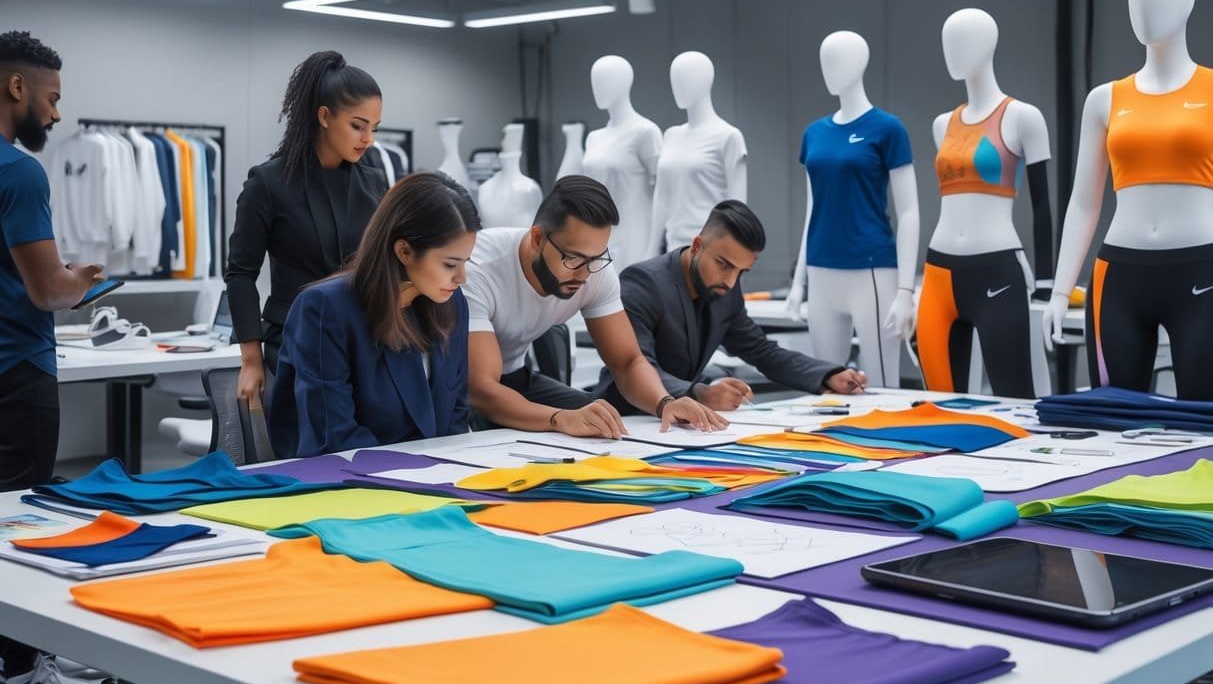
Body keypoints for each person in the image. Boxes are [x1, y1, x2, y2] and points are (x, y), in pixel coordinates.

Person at [0, 30, 100, 684]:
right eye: (52, 98)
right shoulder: (19, 172)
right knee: (13, 520)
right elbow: (47, 292)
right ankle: (19, 677)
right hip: (17, 367)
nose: (57, 115)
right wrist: (83, 284)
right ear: (16, 88)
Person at [464, 175, 728, 438]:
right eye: (573, 258)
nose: (584, 273)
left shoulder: (594, 269)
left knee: (607, 423)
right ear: (537, 240)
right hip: (460, 391)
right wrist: (560, 419)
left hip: (516, 378)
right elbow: (481, 390)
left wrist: (665, 403)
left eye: (596, 258)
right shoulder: (478, 269)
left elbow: (627, 361)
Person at [269, 172, 480, 458]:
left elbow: (455, 419)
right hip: (347, 486)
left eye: (465, 262)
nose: (461, 278)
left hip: (434, 479)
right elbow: (334, 438)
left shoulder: (451, 304)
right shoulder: (324, 308)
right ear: (404, 251)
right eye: (450, 264)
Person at [597, 200, 867, 412]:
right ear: (696, 246)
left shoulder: (725, 286)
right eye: (724, 264)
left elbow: (760, 350)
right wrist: (701, 392)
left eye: (742, 271)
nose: (730, 281)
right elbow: (636, 366)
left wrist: (828, 374)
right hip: (625, 418)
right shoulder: (642, 282)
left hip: (685, 425)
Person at [226, 50, 388, 403]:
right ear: (325, 116)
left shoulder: (375, 181)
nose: (368, 139)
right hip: (294, 341)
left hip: (364, 339)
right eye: (358, 126)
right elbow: (240, 274)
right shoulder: (268, 183)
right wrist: (251, 359)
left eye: (373, 128)